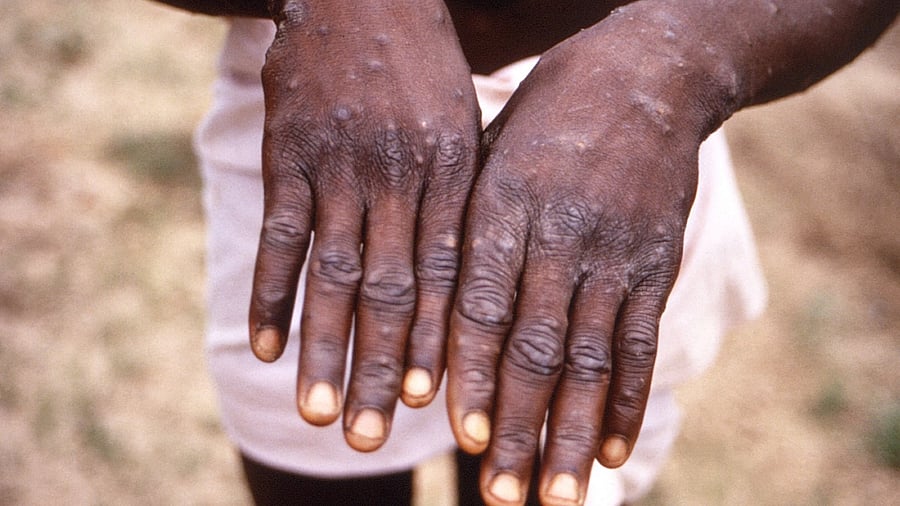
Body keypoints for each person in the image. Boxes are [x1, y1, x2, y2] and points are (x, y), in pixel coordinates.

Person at [153, 1, 897, 505]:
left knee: (548, 470)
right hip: (336, 118)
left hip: (616, 149)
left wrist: (678, 58)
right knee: (312, 464)